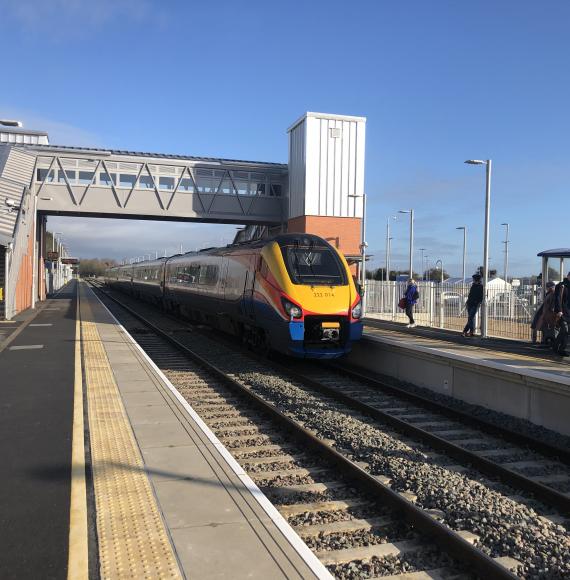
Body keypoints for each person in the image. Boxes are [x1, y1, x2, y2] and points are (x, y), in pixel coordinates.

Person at [553, 272, 570, 357]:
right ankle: (558, 347)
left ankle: (560, 348)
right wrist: (559, 310)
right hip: (562, 312)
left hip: (569, 313)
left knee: (566, 332)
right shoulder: (562, 285)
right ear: (568, 276)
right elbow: (558, 298)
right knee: (565, 330)